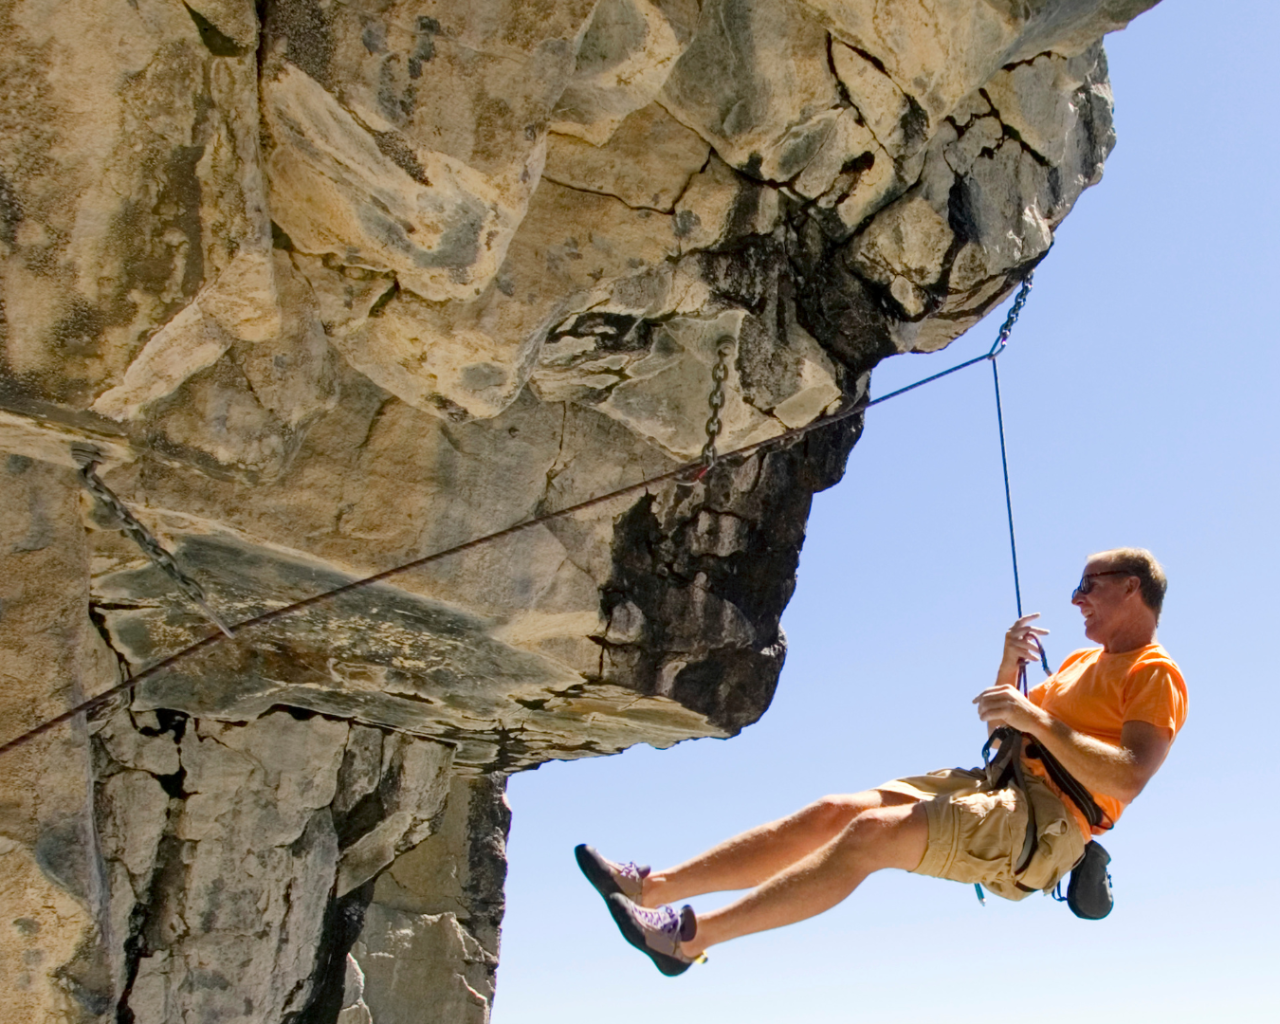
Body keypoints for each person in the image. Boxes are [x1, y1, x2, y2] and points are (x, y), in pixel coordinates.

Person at [575, 548, 1188, 975]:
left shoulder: (1155, 672)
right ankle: (651, 887)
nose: (1077, 599)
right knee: (835, 811)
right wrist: (1008, 669)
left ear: (1132, 587)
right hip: (998, 783)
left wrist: (1034, 718)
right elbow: (1007, 726)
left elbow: (1130, 773)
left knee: (870, 835)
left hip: (1046, 823)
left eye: (1089, 586)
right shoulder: (1083, 664)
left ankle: (687, 939)